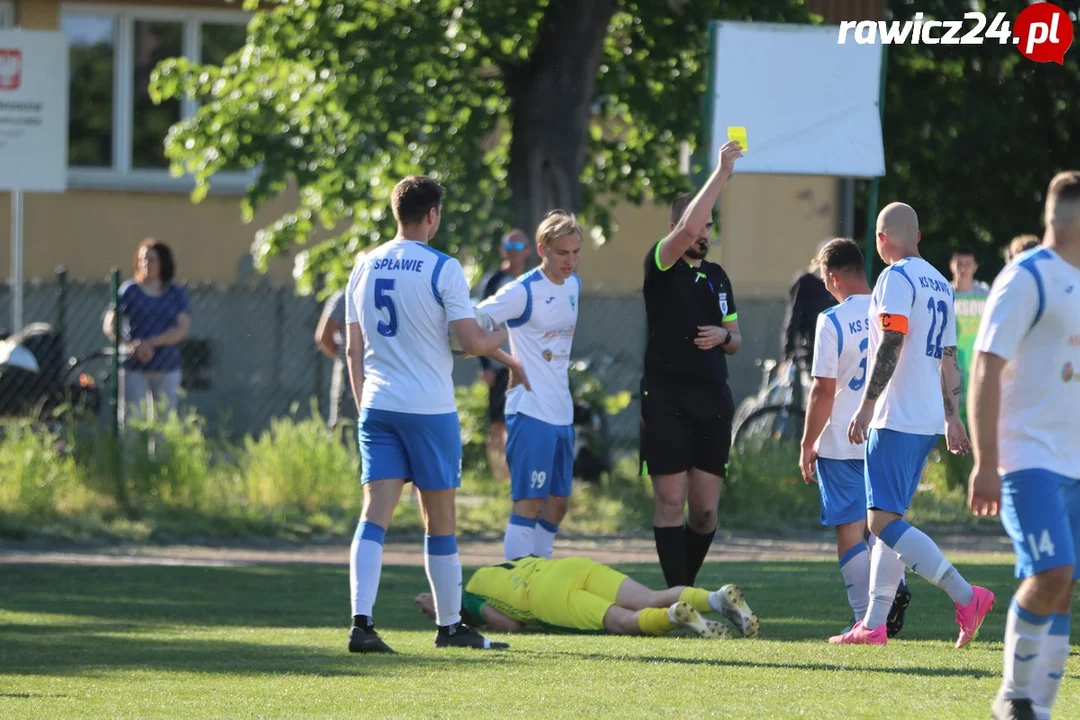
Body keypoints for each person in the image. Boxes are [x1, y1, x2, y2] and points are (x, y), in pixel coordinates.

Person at [344, 175, 511, 653]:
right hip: (428, 409)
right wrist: (505, 331)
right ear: (433, 215)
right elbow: (474, 342)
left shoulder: (364, 264)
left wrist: (363, 409)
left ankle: (362, 623)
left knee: (373, 517)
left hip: (376, 405)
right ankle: (450, 626)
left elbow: (353, 349)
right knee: (439, 520)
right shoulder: (444, 267)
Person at [831, 202, 995, 647]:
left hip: (896, 414)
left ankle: (967, 596)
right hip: (924, 418)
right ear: (917, 236)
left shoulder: (895, 278)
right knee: (891, 518)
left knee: (880, 520)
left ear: (882, 239)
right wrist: (951, 416)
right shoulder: (941, 283)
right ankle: (874, 624)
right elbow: (948, 357)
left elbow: (891, 341)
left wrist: (867, 406)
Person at [968, 171, 1080, 720]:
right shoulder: (1027, 277)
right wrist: (986, 463)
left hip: (1073, 462)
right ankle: (1012, 696)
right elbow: (985, 366)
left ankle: (1042, 708)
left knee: (1065, 586)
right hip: (1026, 457)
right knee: (1051, 573)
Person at [640, 141, 743, 589]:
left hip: (712, 400)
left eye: (710, 226)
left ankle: (684, 589)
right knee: (670, 500)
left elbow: (736, 339)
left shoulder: (718, 276)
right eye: (699, 224)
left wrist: (724, 336)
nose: (704, 233)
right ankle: (678, 596)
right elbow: (685, 227)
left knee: (703, 511)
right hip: (664, 398)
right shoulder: (660, 264)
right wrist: (721, 173)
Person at [798, 238, 912, 639]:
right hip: (887, 432)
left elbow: (823, 390)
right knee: (885, 523)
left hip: (843, 439)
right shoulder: (891, 310)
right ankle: (892, 587)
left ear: (833, 278)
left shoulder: (831, 319)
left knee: (850, 529)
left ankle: (867, 618)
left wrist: (808, 441)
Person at [478, 212, 582, 561]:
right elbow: (471, 324)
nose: (570, 261)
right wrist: (511, 362)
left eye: (575, 252)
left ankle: (538, 576)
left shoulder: (573, 285)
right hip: (529, 409)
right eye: (562, 253)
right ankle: (517, 584)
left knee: (558, 505)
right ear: (542, 250)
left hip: (561, 412)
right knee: (529, 503)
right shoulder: (522, 291)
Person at [414, 555, 759, 639]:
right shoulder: (487, 570)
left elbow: (509, 624)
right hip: (570, 566)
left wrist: (452, 614)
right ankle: (715, 598)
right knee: (651, 595)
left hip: (546, 595)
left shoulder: (470, 595)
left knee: (622, 622)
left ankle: (674, 617)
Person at [103, 238, 191, 425]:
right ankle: (130, 456)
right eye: (143, 259)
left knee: (163, 424)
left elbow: (182, 329)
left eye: (151, 260)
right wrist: (130, 345)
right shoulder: (129, 290)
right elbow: (110, 324)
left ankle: (162, 456)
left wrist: (151, 343)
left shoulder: (175, 293)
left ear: (163, 263)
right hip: (134, 366)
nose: (146, 264)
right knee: (132, 422)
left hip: (166, 366)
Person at [474, 229, 532, 483]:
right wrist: (484, 363)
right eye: (509, 247)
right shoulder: (493, 281)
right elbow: (478, 322)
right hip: (499, 363)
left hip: (528, 363)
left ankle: (522, 472)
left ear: (529, 251)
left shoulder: (534, 280)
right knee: (498, 422)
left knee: (526, 419)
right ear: (501, 250)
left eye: (519, 248)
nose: (514, 253)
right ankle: (500, 476)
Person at [315, 250, 368, 442]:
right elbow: (324, 336)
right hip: (350, 369)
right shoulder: (344, 297)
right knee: (344, 426)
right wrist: (345, 359)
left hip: (375, 369)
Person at [779, 238, 839, 366]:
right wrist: (787, 354)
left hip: (836, 351)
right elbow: (793, 318)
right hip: (811, 351)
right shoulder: (805, 282)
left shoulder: (838, 283)